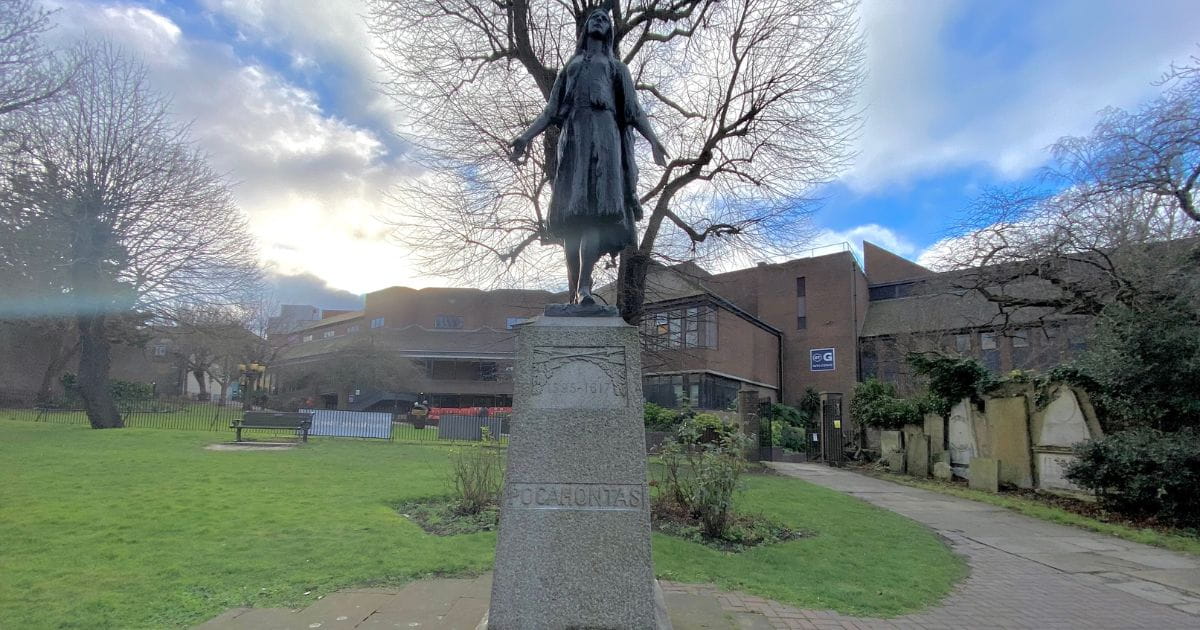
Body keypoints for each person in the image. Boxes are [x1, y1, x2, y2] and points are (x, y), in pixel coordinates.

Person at [511, 8, 668, 306]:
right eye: (593, 18)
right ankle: (575, 292)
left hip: (604, 138)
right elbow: (551, 111)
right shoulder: (570, 66)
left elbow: (633, 111)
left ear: (609, 30)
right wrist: (525, 136)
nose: (599, 20)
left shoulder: (616, 68)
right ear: (585, 30)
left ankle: (584, 287)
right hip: (574, 141)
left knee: (595, 215)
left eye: (604, 18)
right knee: (573, 218)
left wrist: (655, 141)